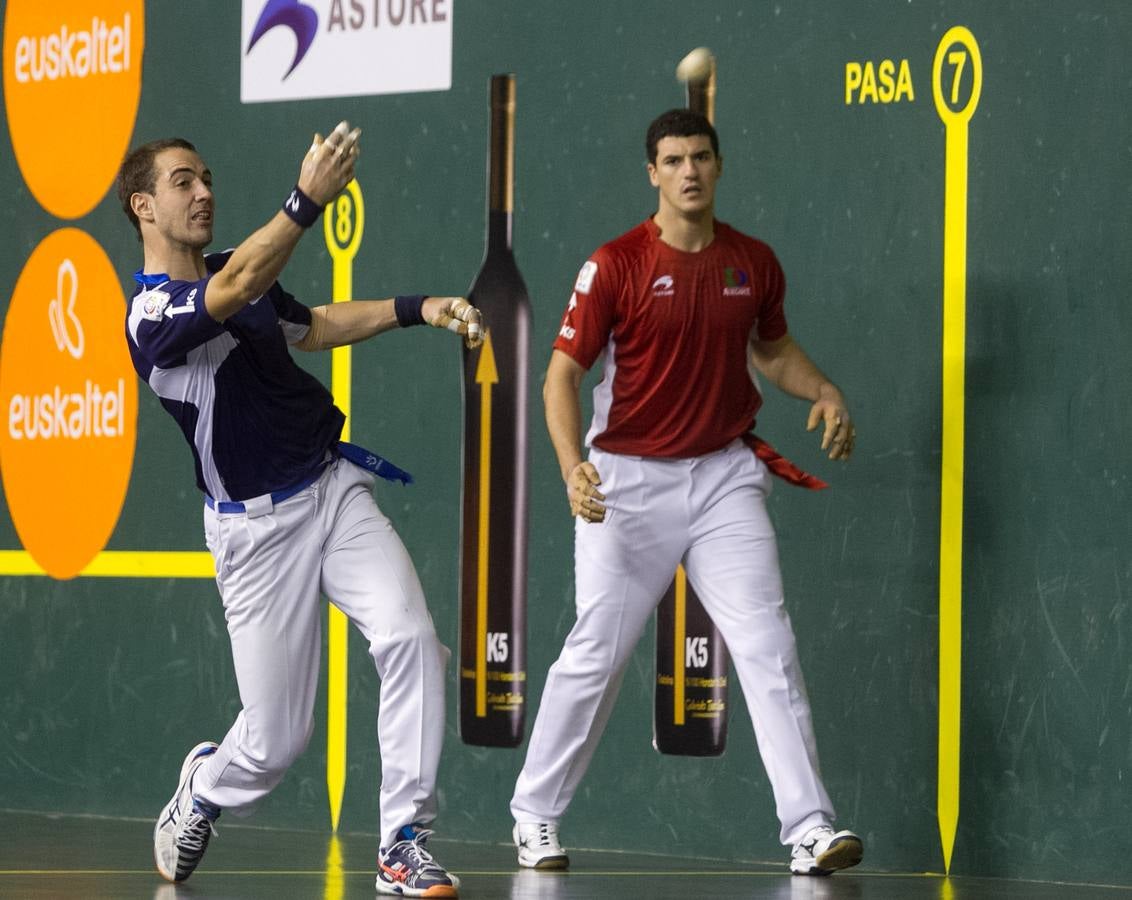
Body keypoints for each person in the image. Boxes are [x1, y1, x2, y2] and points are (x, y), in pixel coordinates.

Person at [117, 121, 480, 898]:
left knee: (412, 637)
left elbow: (311, 325)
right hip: (253, 535)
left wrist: (420, 307)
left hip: (331, 488)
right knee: (277, 742)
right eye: (184, 182)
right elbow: (236, 286)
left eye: (207, 176)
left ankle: (402, 843)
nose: (204, 191)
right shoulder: (149, 316)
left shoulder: (236, 270)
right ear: (143, 207)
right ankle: (206, 789)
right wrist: (305, 200)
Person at [509, 109, 863, 877]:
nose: (689, 171)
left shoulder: (752, 263)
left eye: (701, 156)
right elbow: (561, 376)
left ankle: (809, 827)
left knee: (767, 644)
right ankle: (535, 814)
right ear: (653, 174)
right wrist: (574, 466)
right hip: (625, 483)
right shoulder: (617, 266)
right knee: (597, 650)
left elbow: (770, 349)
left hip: (723, 475)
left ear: (719, 165)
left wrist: (825, 388)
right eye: (673, 160)